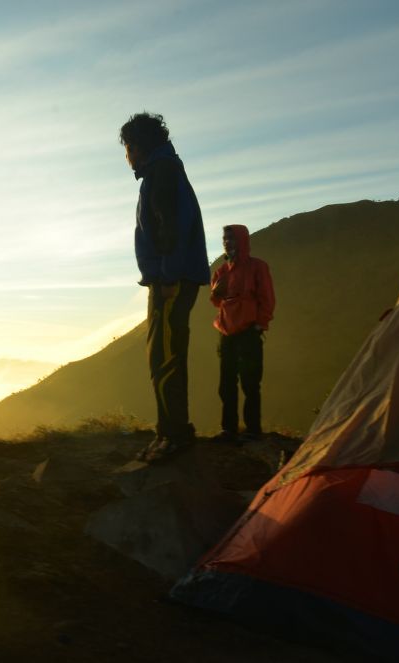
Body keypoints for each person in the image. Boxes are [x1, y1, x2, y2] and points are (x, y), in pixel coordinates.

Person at [120, 112, 210, 462]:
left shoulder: (163, 173)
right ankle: (169, 432)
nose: (126, 157)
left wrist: (169, 277)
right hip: (168, 277)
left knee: (166, 355)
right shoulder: (165, 170)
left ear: (135, 147)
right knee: (162, 354)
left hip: (170, 280)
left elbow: (170, 226)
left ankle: (175, 436)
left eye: (127, 149)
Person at [210, 224, 275, 442]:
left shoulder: (258, 267)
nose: (227, 242)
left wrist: (260, 324)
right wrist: (216, 293)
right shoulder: (221, 271)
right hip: (226, 332)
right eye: (225, 238)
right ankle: (228, 429)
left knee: (250, 382)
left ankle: (252, 429)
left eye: (232, 238)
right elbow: (217, 302)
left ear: (242, 241)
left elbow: (267, 297)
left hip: (248, 331)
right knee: (226, 383)